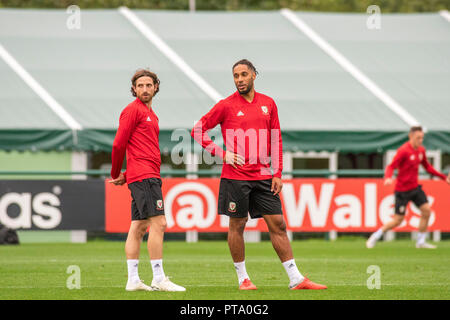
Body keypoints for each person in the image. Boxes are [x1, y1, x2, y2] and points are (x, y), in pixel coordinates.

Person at [191, 59, 327, 290]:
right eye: (236, 76)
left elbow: (276, 139)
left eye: (244, 74)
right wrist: (221, 154)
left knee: (278, 224)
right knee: (238, 224)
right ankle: (243, 278)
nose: (240, 79)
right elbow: (197, 129)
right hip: (236, 177)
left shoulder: (268, 103)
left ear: (254, 75)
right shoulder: (225, 105)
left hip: (264, 176)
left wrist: (277, 173)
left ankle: (296, 279)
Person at [110, 69, 185, 292]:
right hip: (144, 176)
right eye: (140, 85)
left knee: (138, 226)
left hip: (144, 174)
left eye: (148, 85)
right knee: (159, 223)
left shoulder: (151, 114)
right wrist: (116, 173)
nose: (144, 89)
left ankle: (133, 280)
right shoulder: (132, 110)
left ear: (155, 88)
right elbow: (118, 145)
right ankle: (159, 278)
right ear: (133, 89)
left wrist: (127, 173)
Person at [366, 126, 450, 249]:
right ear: (411, 137)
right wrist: (388, 177)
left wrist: (443, 177)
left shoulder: (421, 150)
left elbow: (427, 167)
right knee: (397, 220)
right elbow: (391, 166)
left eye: (422, 138)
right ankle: (375, 236)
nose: (420, 140)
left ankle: (420, 241)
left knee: (426, 211)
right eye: (418, 138)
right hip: (402, 191)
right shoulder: (403, 151)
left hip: (415, 188)